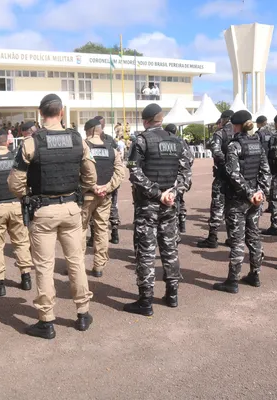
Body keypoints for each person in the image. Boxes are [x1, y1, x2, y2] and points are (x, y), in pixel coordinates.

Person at [7, 93, 96, 339]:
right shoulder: (78, 140)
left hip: (43, 209)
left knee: (44, 266)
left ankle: (46, 321)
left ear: (39, 113)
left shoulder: (30, 142)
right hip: (71, 209)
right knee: (76, 260)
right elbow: (91, 177)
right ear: (62, 112)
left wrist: (28, 194)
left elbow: (15, 184)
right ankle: (82, 313)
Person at [124, 103, 193, 315]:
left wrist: (157, 193)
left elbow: (135, 173)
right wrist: (172, 192)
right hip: (170, 205)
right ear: (161, 120)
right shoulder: (177, 141)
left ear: (145, 121)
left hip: (148, 205)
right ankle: (172, 295)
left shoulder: (142, 141)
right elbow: (186, 176)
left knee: (146, 252)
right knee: (170, 249)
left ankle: (145, 301)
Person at [213, 110, 270, 293]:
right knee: (254, 237)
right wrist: (260, 192)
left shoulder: (234, 145)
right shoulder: (257, 144)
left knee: (237, 240)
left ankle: (233, 281)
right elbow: (265, 172)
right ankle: (256, 274)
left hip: (239, 199)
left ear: (235, 125)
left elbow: (233, 173)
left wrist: (249, 193)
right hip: (255, 200)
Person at [0, 129, 33, 296]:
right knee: (21, 242)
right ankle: (26, 278)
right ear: (7, 142)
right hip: (16, 205)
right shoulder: (17, 158)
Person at [81, 118, 126, 277]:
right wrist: (106, 188)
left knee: (80, 230)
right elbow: (120, 173)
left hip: (85, 197)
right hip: (105, 197)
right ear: (100, 130)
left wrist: (92, 186)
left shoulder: (82, 147)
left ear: (88, 131)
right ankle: (99, 267)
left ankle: (77, 265)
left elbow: (76, 172)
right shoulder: (112, 149)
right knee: (101, 230)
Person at [197, 110, 234, 248]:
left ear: (224, 119)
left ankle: (212, 238)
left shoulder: (220, 133)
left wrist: (227, 165)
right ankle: (232, 237)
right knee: (232, 207)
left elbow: (216, 151)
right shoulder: (239, 132)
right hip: (237, 177)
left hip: (223, 175)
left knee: (217, 206)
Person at [92, 115, 121, 244]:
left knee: (94, 209)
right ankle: (114, 233)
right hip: (110, 182)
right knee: (113, 206)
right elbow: (118, 161)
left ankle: (94, 236)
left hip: (95, 183)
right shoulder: (110, 140)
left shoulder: (89, 142)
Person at [165, 123, 193, 233]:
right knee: (180, 199)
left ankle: (175, 226)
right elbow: (190, 158)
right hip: (182, 175)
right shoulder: (181, 141)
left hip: (169, 176)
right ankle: (182, 224)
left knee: (172, 201)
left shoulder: (164, 141)